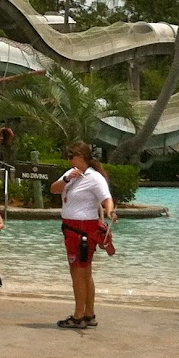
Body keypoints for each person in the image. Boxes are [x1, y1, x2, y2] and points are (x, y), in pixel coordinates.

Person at [50, 141, 115, 329]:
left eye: (73, 156)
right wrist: (67, 179)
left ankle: (79, 315)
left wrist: (110, 211)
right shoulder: (71, 174)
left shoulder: (94, 178)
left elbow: (106, 198)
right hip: (70, 227)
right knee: (83, 272)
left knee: (79, 272)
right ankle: (88, 313)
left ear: (82, 157)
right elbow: (54, 189)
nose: (70, 159)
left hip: (82, 228)